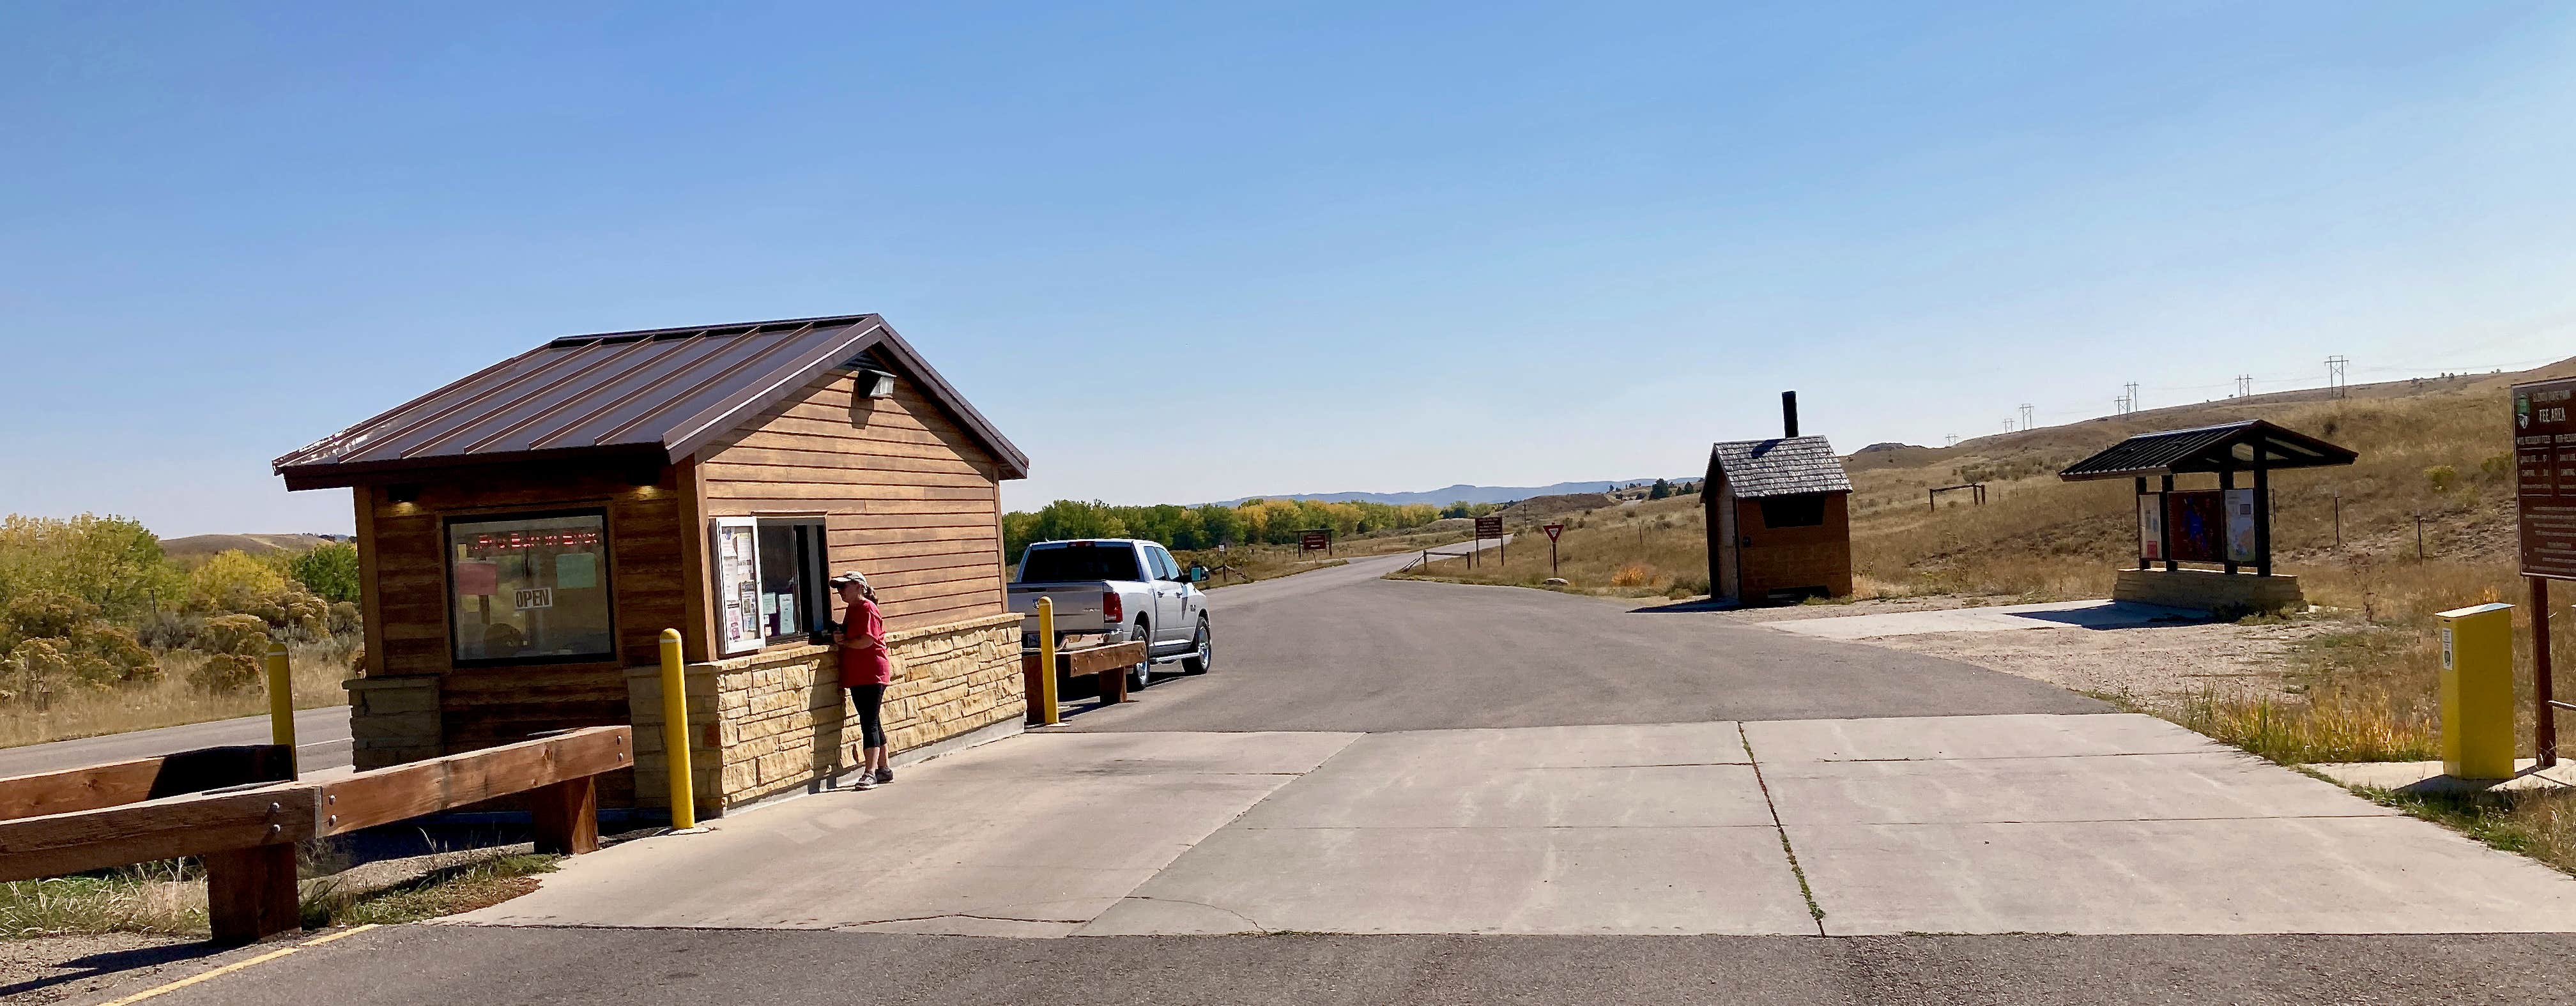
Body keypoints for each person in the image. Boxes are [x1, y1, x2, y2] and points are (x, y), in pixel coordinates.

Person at [830, 570, 894, 789]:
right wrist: (838, 634)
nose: (840, 592)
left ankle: (870, 773)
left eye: (844, 587)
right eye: (838, 588)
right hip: (858, 673)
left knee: (869, 722)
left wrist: (845, 643)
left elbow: (867, 640)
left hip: (872, 672)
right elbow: (851, 634)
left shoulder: (868, 608)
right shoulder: (852, 609)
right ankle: (884, 769)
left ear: (859, 586)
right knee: (873, 719)